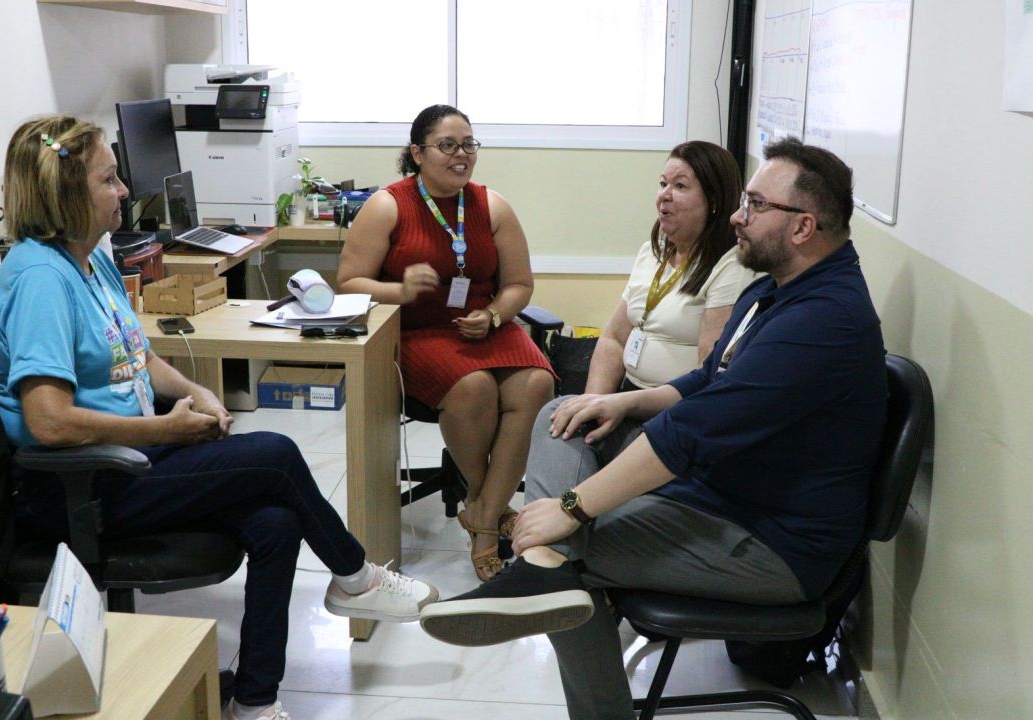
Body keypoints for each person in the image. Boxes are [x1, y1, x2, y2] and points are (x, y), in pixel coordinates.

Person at [419, 138, 888, 720]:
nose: (739, 216)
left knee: (567, 555)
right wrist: (626, 404)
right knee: (560, 416)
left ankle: (549, 582)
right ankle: (545, 570)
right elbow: (713, 380)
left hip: (771, 544)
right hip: (723, 496)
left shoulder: (823, 320)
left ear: (802, 227)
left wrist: (572, 505)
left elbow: (693, 433)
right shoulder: (781, 288)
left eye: (755, 205)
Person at [0, 115, 438, 720]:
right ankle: (356, 578)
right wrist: (163, 430)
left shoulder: (89, 259)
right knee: (274, 453)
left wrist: (198, 394)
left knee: (276, 522)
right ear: (65, 193)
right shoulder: (41, 277)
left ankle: (255, 701)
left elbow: (138, 355)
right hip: (80, 482)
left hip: (135, 463)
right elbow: (49, 422)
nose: (124, 192)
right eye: (109, 180)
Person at [337, 104, 554, 582]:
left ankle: (480, 511)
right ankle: (487, 513)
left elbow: (519, 283)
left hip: (485, 325)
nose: (461, 155)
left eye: (469, 144)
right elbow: (348, 282)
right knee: (473, 387)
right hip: (416, 331)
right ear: (418, 153)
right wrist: (399, 290)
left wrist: (495, 313)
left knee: (537, 383)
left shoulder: (491, 204)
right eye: (448, 145)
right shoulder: (388, 205)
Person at [585, 140, 756, 394]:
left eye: (680, 186)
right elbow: (614, 340)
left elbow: (706, 372)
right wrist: (591, 403)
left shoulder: (731, 266)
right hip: (626, 394)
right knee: (554, 418)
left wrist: (621, 407)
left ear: (714, 201)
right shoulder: (651, 253)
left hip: (672, 410)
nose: (665, 194)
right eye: (663, 183)